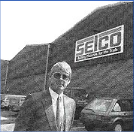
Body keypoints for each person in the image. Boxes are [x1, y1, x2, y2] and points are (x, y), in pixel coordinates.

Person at [14, 61, 76, 131]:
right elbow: (20, 129)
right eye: (57, 75)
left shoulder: (71, 103)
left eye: (65, 77)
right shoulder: (33, 100)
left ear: (69, 81)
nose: (61, 79)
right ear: (50, 77)